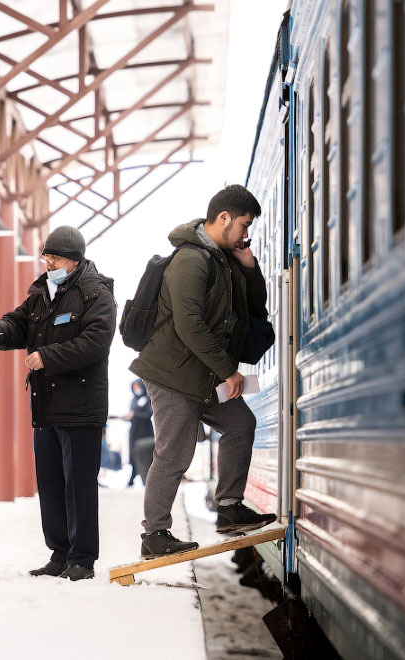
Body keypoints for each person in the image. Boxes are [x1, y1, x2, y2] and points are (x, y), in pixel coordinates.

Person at [130, 184, 277, 558]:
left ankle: (228, 509)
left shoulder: (225, 260)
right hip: (173, 373)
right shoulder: (191, 260)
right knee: (174, 454)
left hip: (201, 374)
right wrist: (229, 371)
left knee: (241, 424)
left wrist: (250, 268)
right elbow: (188, 324)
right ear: (223, 217)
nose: (246, 234)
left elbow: (250, 309)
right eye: (243, 225)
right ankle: (155, 535)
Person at [0, 225, 116, 581]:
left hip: (81, 406)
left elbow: (96, 342)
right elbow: (19, 322)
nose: (47, 262)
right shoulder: (43, 292)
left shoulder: (96, 294)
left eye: (54, 257)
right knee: (51, 484)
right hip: (46, 405)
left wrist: (47, 356)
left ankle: (82, 558)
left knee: (79, 486)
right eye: (46, 256)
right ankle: (59, 554)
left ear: (73, 261)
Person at [124, 379, 154, 487]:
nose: (137, 389)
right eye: (134, 387)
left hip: (146, 435)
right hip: (134, 435)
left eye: (138, 387)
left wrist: (134, 415)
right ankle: (135, 479)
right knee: (135, 458)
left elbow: (148, 414)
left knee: (146, 459)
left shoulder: (148, 399)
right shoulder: (133, 400)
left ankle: (146, 482)